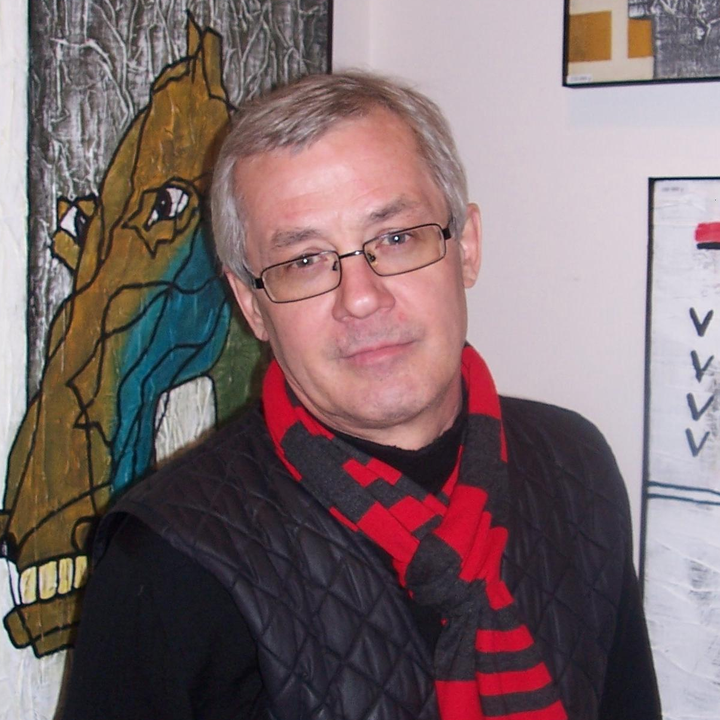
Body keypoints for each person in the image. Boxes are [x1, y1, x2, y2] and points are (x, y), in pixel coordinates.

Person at [61, 72, 661, 720]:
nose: (362, 298)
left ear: (466, 248)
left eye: (396, 238)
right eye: (304, 261)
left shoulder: (575, 465)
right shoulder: (166, 561)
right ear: (252, 306)